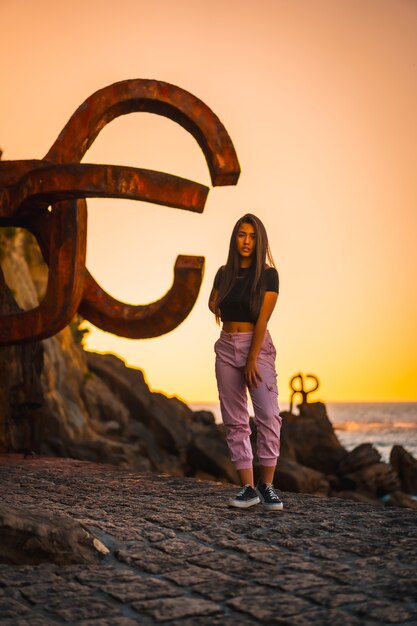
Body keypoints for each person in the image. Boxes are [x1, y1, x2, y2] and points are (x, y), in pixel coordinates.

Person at [208, 213, 283, 511]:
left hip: (257, 347)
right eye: (242, 235)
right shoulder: (223, 273)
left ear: (260, 240)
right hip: (226, 347)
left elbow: (262, 319)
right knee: (235, 420)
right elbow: (213, 303)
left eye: (252, 236)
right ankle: (248, 489)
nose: (247, 241)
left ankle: (267, 485)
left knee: (268, 415)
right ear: (234, 238)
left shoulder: (268, 275)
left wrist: (252, 358)